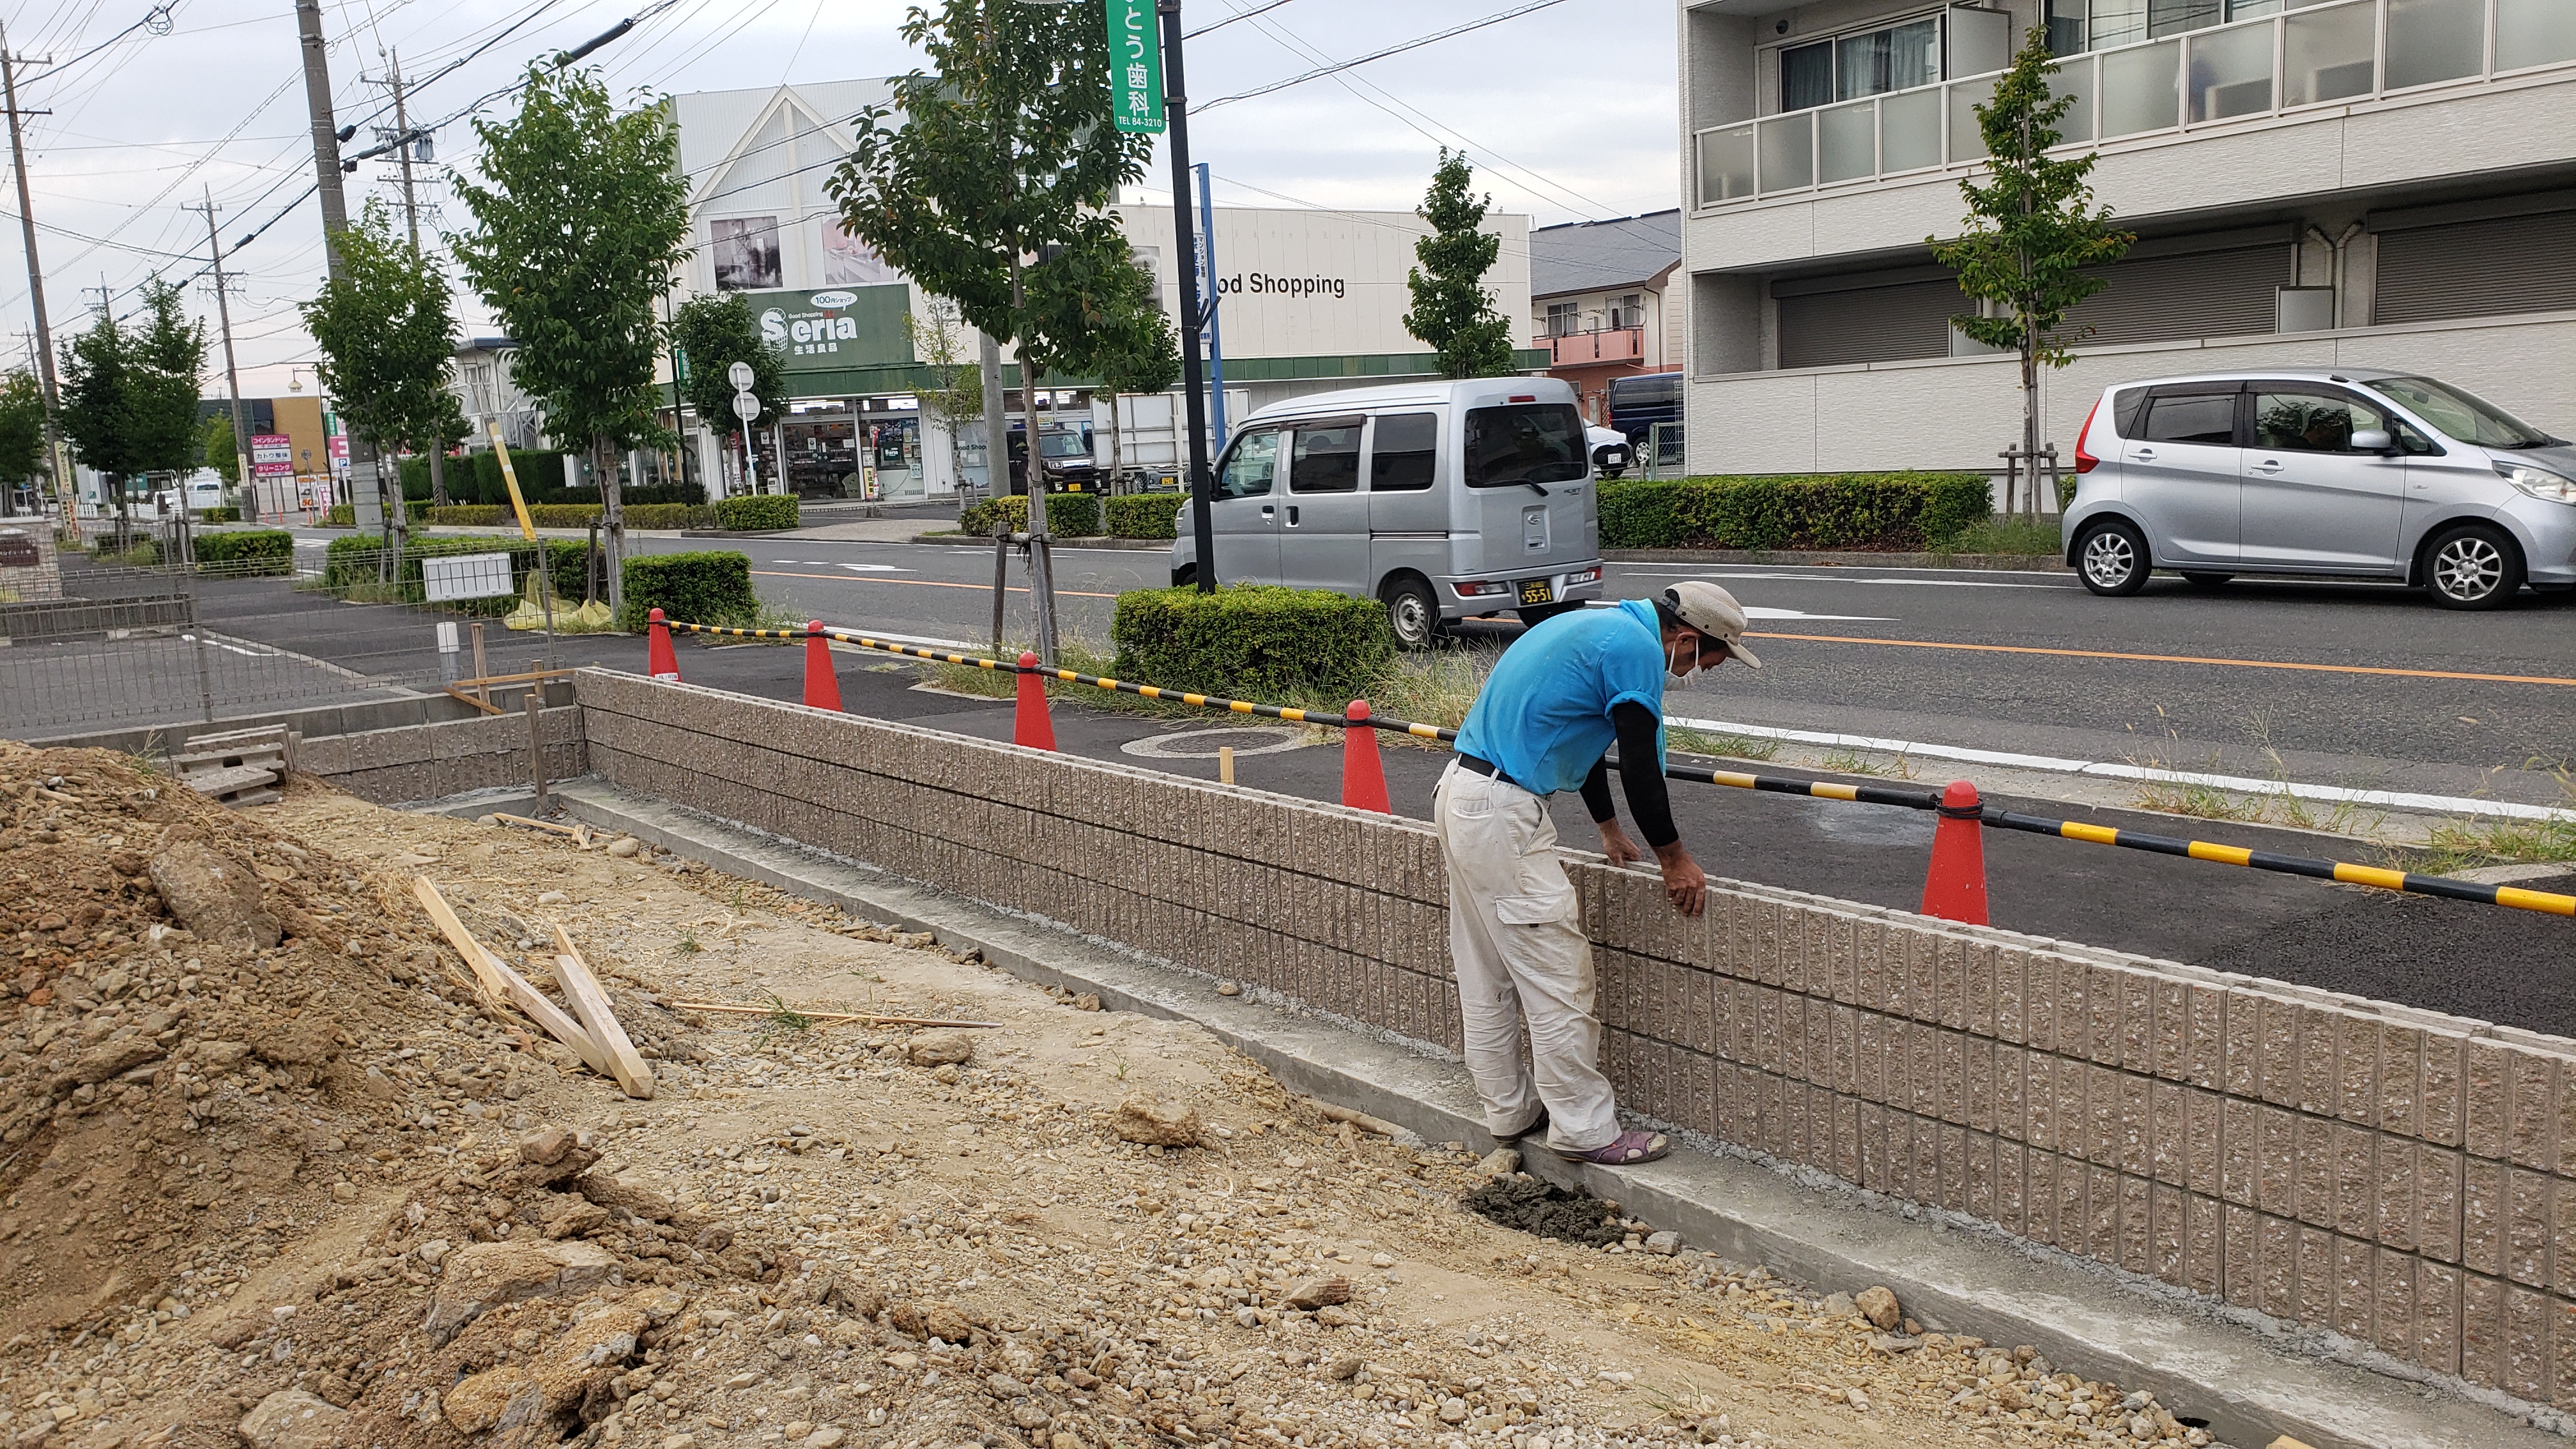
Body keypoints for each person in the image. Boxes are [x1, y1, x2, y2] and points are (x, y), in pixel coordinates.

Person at [1436, 583, 1762, 1166]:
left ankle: (1510, 1112)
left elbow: (1581, 740)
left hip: (1464, 791)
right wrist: (1673, 859)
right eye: (1708, 661)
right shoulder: (1637, 650)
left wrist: (1608, 829)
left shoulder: (1597, 628)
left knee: (1485, 971)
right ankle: (1585, 1131)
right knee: (1558, 976)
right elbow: (1638, 765)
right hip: (1501, 812)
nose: (1701, 673)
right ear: (1687, 639)